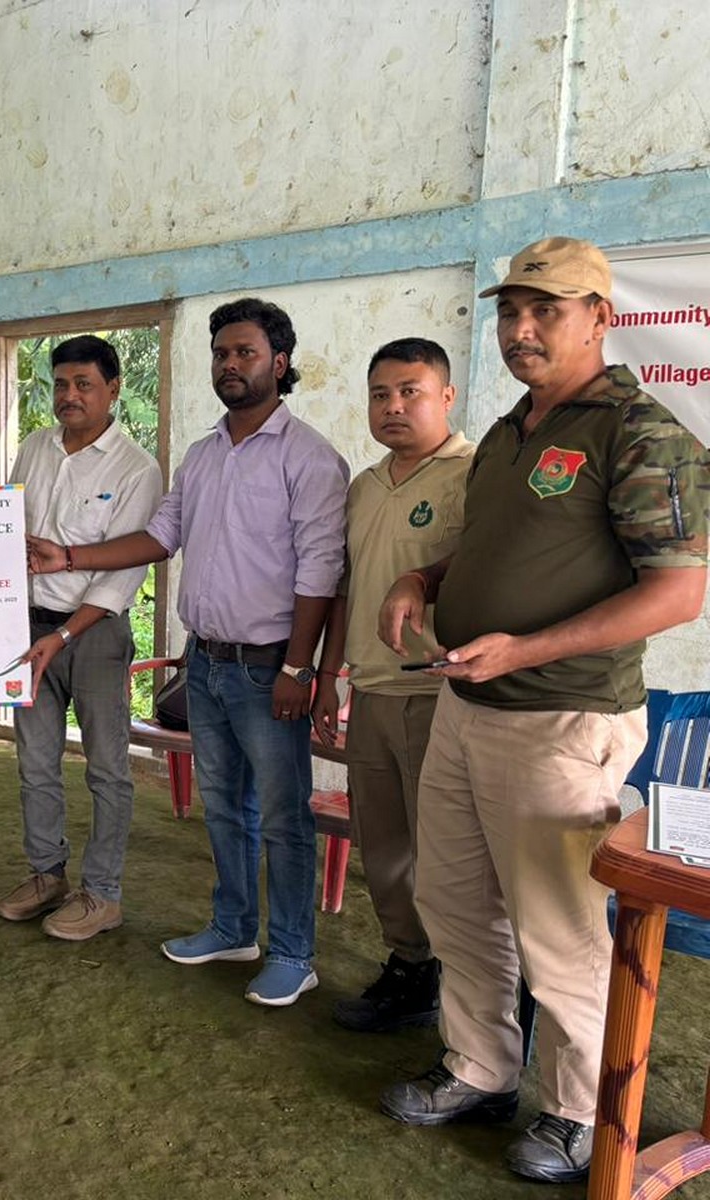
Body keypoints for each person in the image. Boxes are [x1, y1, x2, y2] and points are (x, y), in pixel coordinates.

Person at [375, 238, 709, 1184]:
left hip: (562, 719)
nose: (520, 330)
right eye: (511, 310)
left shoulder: (641, 431)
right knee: (455, 903)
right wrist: (421, 575)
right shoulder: (513, 429)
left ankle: (578, 1114)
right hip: (468, 706)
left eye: (546, 312)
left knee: (560, 932)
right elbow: (497, 549)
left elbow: (677, 594)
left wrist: (524, 649)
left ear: (600, 318)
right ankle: (479, 1068)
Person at [29, 300, 348, 1004]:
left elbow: (321, 572)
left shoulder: (310, 458)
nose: (230, 365)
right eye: (221, 354)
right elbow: (161, 535)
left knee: (284, 815)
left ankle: (295, 951)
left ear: (280, 364)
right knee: (227, 808)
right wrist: (68, 555)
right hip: (204, 662)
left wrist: (303, 667)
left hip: (271, 667)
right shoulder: (204, 456)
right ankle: (234, 927)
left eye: (246, 353)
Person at [309, 339, 472, 1031]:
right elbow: (346, 590)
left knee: (449, 860)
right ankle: (411, 969)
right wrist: (328, 677)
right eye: (381, 394)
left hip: (441, 697)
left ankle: (470, 1000)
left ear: (446, 398)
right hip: (371, 693)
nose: (394, 406)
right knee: (383, 849)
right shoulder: (364, 487)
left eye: (410, 391)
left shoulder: (475, 476)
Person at [0, 335, 162, 940]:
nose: (69, 395)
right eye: (60, 384)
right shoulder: (34, 448)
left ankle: (103, 893)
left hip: (92, 635)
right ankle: (46, 874)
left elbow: (122, 576)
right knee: (35, 762)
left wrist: (61, 636)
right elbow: (7, 530)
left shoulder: (137, 468)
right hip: (25, 628)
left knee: (108, 768)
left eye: (83, 384)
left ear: (113, 390)